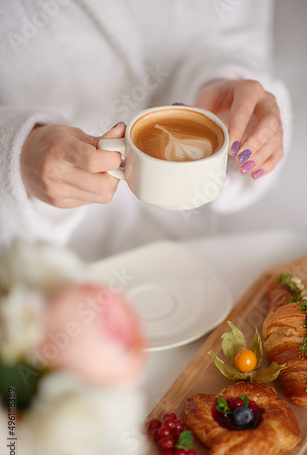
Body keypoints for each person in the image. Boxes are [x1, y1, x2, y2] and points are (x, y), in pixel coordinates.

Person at [0, 0, 291, 260]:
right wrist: (16, 156)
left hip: (196, 249)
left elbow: (235, 39)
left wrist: (226, 88)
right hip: (46, 267)